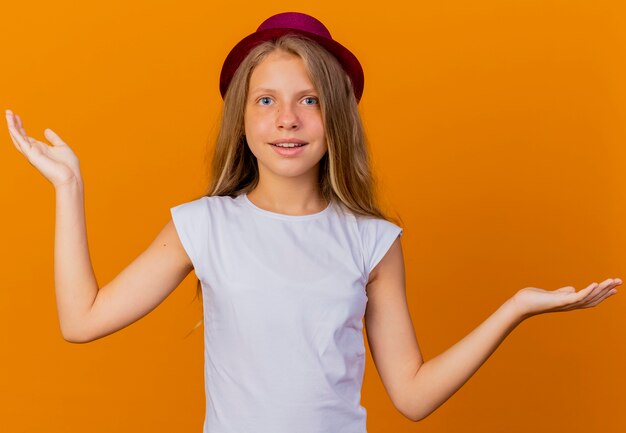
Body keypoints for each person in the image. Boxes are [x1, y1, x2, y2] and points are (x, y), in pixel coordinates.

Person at [5, 10, 621, 433]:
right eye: (266, 101)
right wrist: (69, 188)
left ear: (337, 120)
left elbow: (411, 396)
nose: (287, 119)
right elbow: (81, 321)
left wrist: (515, 307)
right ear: (242, 122)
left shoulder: (371, 240)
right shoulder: (204, 226)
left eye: (310, 100)